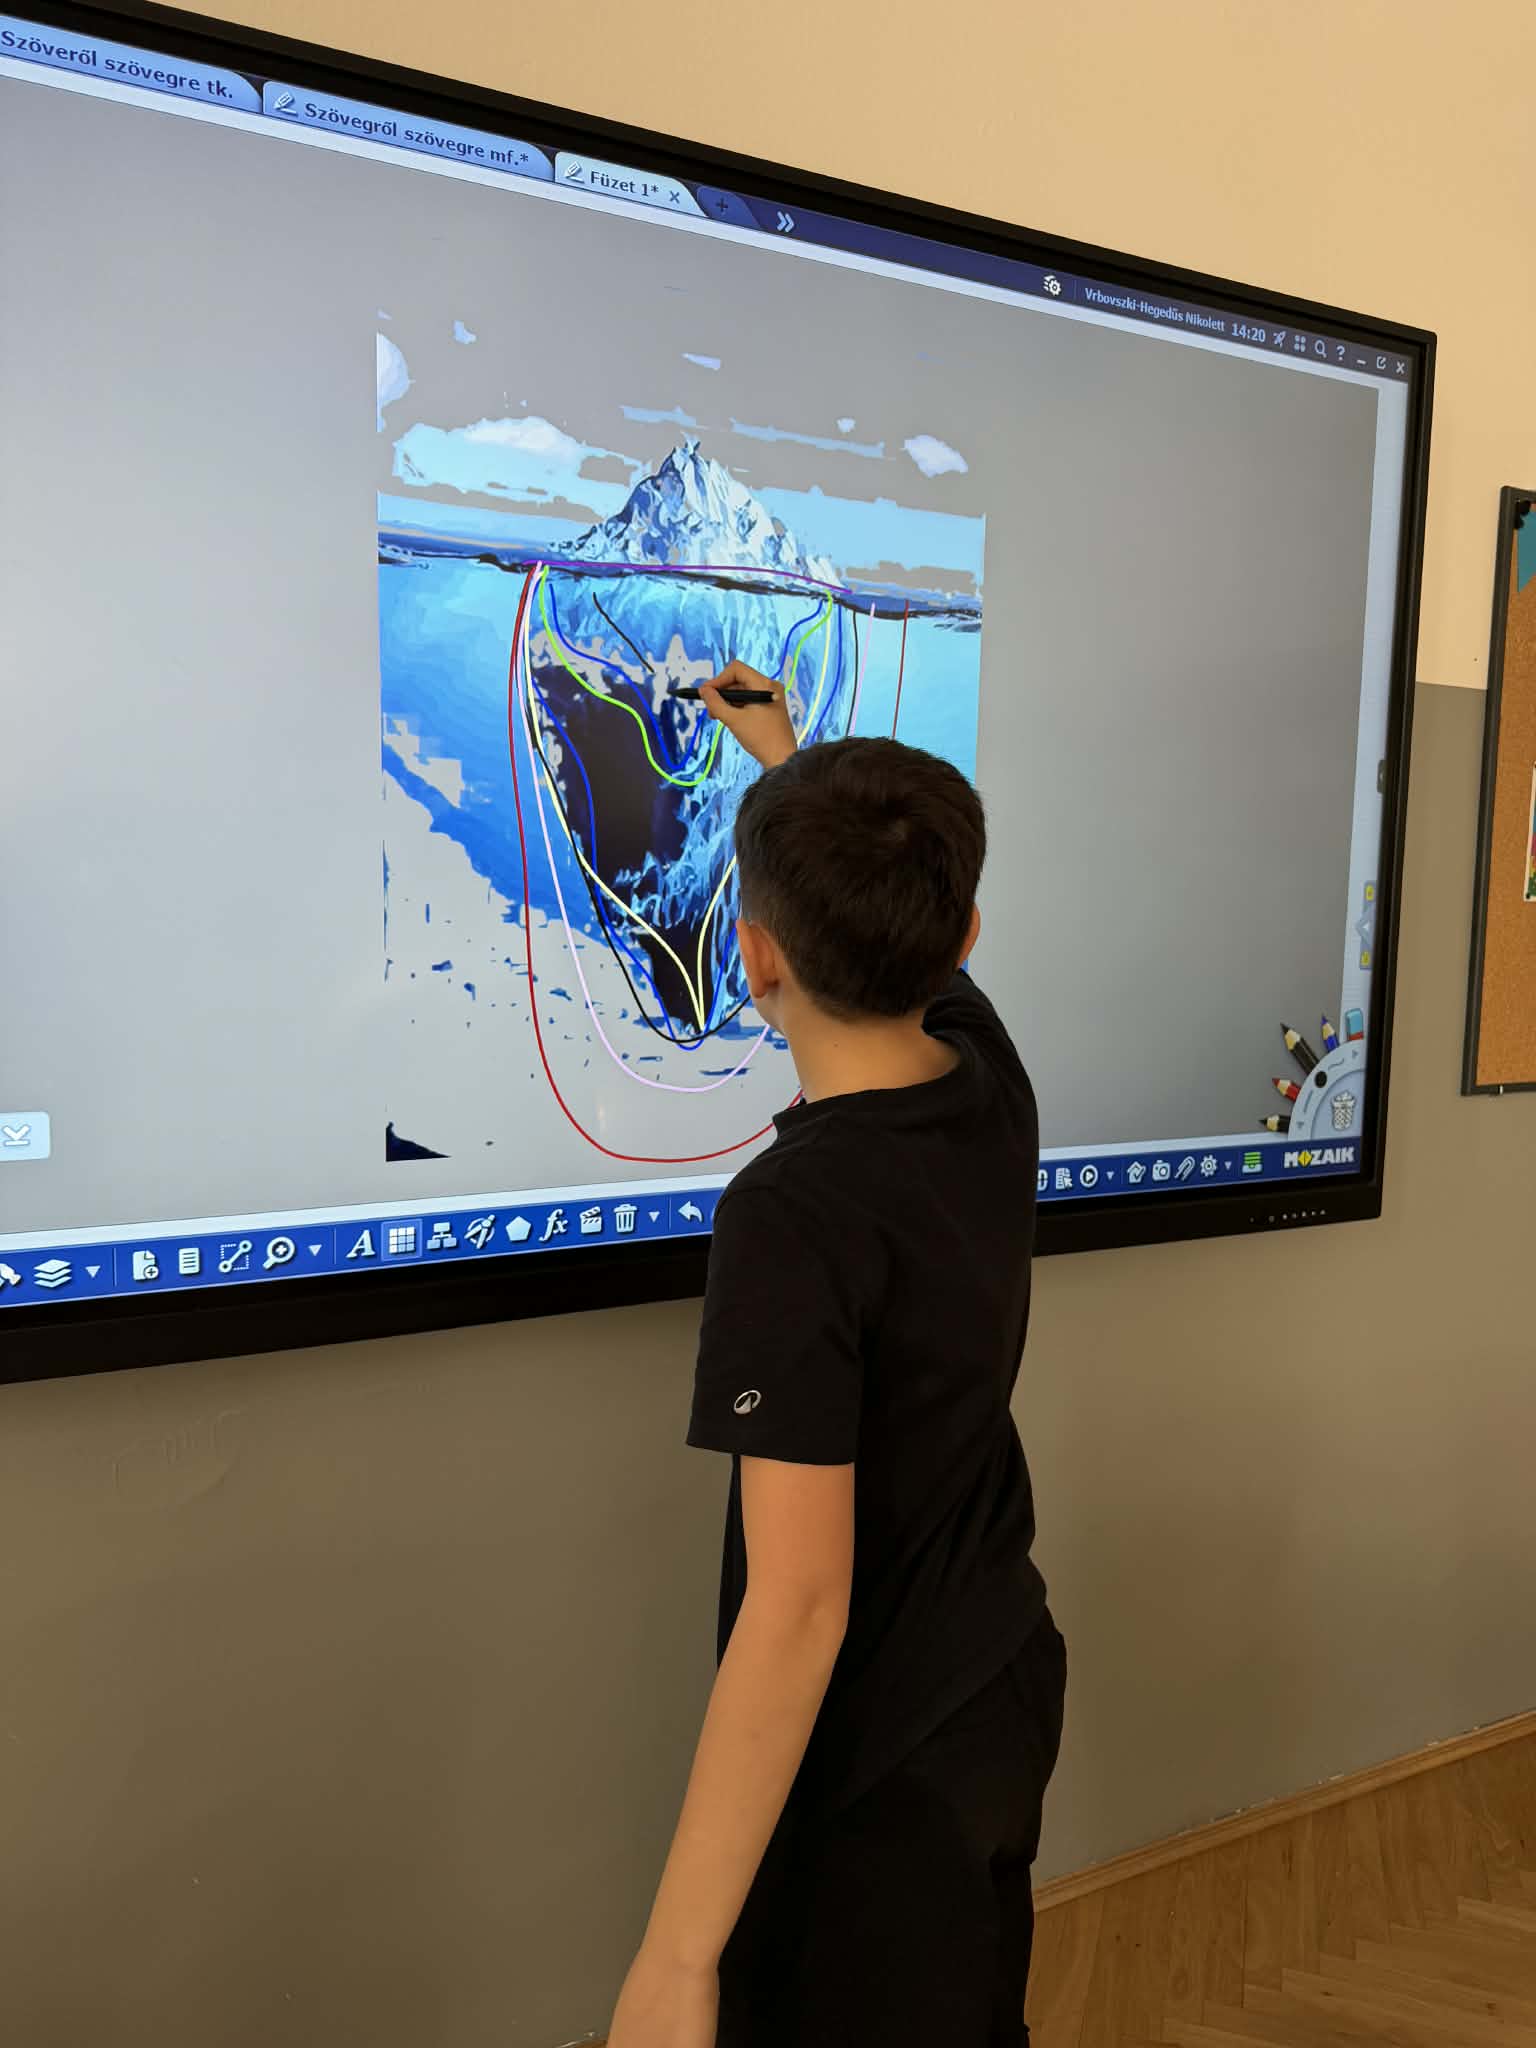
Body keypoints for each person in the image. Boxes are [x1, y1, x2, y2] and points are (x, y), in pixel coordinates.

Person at [606, 660, 1064, 2048]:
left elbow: (800, 1605)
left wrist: (676, 1961)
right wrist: (787, 757)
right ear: (963, 930)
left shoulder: (794, 1214)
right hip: (996, 1677)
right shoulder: (988, 1084)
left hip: (873, 1762)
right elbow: (911, 943)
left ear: (754, 959)